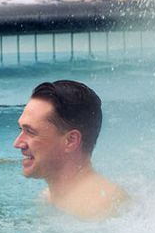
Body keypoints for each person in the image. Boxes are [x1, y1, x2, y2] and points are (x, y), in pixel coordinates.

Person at [14, 80, 129, 221]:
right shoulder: (48, 196)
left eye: (30, 132)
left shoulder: (104, 208)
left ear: (71, 141)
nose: (17, 143)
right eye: (21, 129)